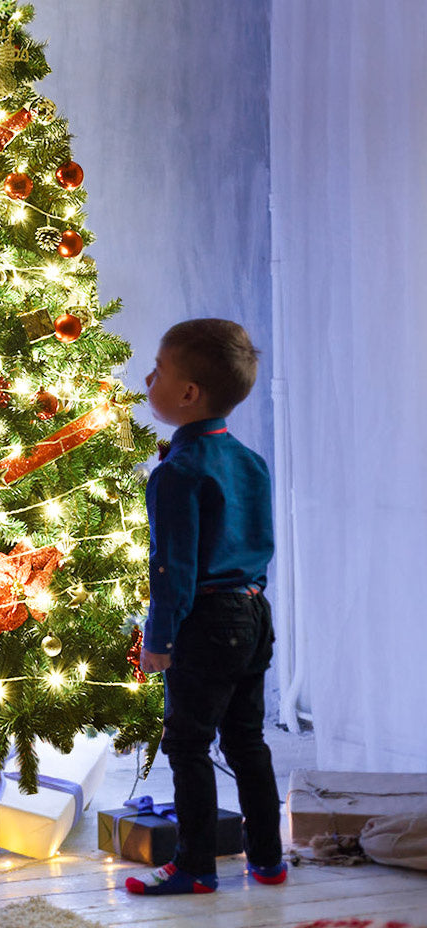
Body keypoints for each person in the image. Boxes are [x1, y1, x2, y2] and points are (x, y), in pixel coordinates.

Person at [125, 318, 287, 895]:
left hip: (207, 620)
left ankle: (194, 867)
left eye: (159, 371)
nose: (149, 379)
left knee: (188, 743)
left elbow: (173, 569)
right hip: (253, 613)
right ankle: (268, 860)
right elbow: (257, 545)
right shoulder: (249, 462)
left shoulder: (178, 472)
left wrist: (159, 641)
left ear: (188, 393)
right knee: (247, 739)